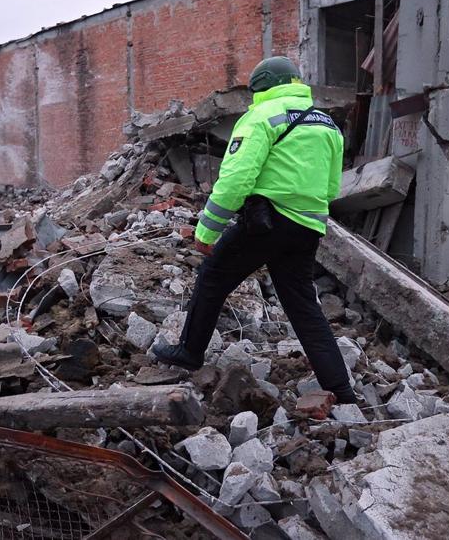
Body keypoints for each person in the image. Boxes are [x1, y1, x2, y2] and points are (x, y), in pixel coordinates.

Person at [152, 56, 356, 404]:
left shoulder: (260, 117)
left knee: (213, 277)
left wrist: (207, 232)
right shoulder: (328, 125)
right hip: (308, 227)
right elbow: (332, 187)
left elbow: (235, 180)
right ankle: (342, 391)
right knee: (304, 307)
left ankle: (189, 352)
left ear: (262, 87)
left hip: (267, 222)